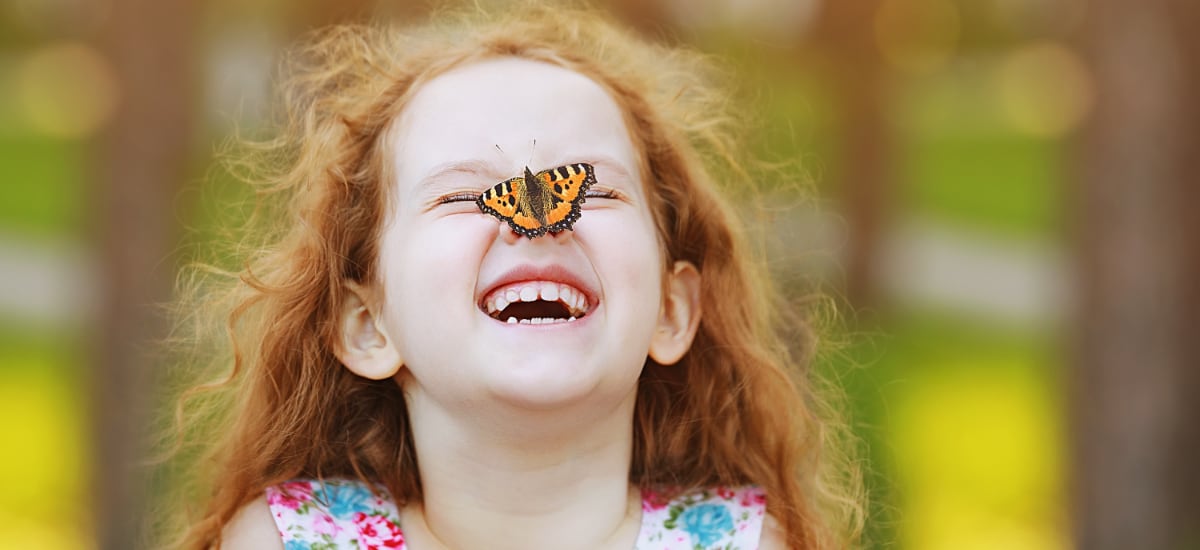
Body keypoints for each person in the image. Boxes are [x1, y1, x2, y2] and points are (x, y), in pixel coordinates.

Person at [162, 3, 862, 549]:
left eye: (589, 191)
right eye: (466, 195)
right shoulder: (291, 542)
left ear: (671, 311)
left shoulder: (741, 545)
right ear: (367, 325)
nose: (539, 221)